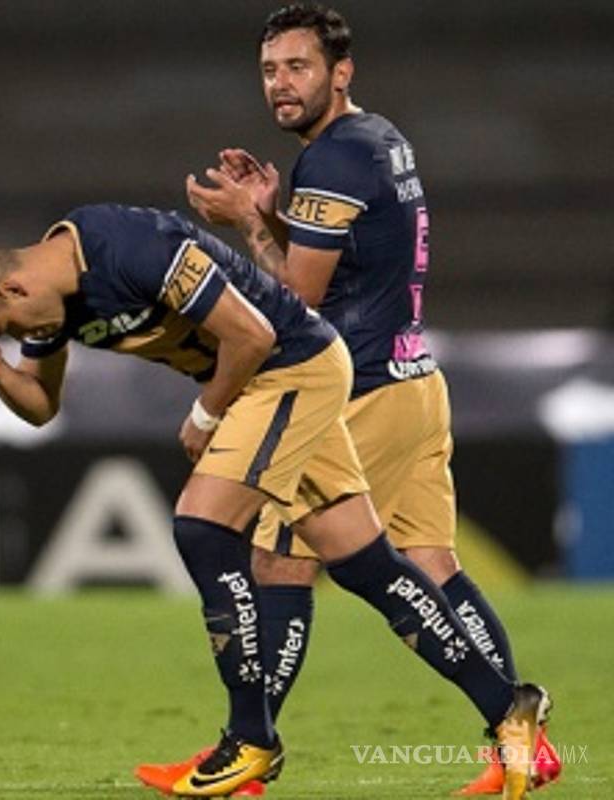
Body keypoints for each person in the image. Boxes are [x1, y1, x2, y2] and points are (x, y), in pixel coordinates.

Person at [0, 202, 548, 798]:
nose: (23, 336)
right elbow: (41, 407)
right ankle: (508, 708)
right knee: (366, 564)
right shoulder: (52, 303)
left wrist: (206, 414)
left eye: (11, 328)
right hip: (273, 379)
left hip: (288, 365)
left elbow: (250, 335)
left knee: (202, 529)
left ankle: (250, 741)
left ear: (12, 289)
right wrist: (4, 377)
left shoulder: (126, 244)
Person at [170, 4, 561, 796]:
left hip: (361, 389)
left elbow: (297, 300)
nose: (281, 85)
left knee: (278, 561)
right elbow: (342, 263)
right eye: (271, 70)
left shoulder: (335, 160)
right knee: (432, 564)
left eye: (298, 68)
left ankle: (247, 755)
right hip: (416, 378)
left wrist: (248, 225)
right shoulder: (377, 139)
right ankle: (522, 746)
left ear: (339, 73)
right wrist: (275, 215)